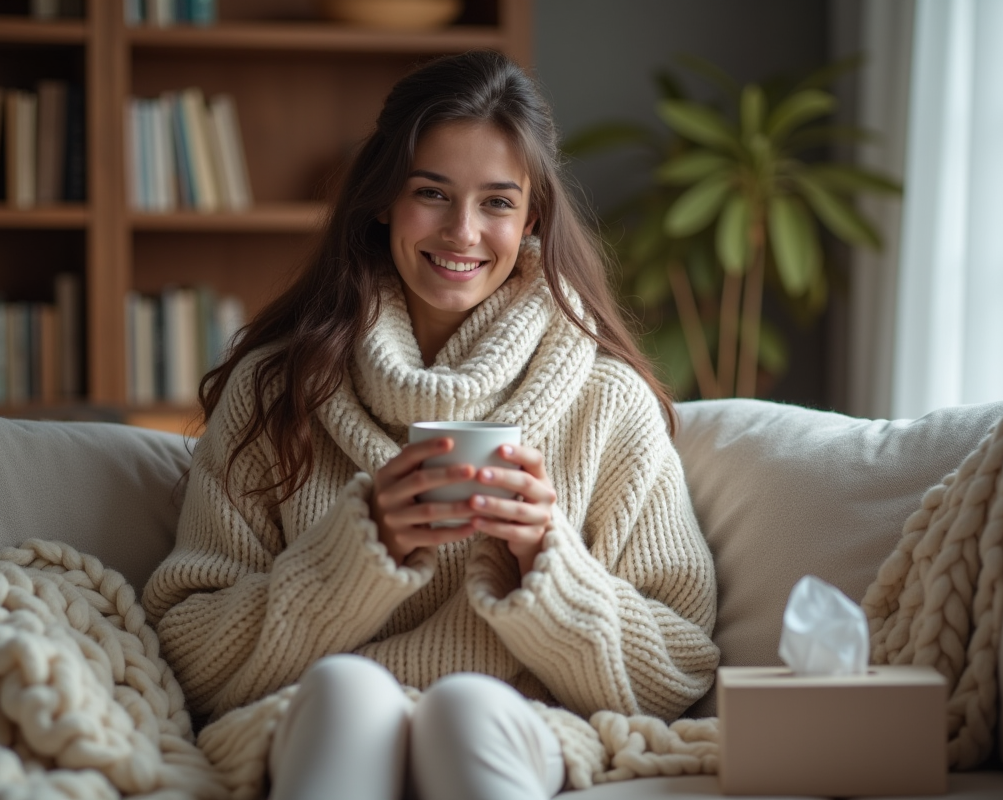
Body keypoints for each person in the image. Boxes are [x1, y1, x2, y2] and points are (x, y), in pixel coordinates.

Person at [142, 49, 719, 800]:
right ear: (383, 198)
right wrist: (358, 550)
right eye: (432, 193)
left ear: (533, 216)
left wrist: (547, 559)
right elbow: (190, 655)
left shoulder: (608, 405)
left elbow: (676, 666)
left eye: (498, 202)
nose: (463, 233)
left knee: (471, 708)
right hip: (316, 711)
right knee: (353, 696)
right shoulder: (273, 390)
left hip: (520, 722)